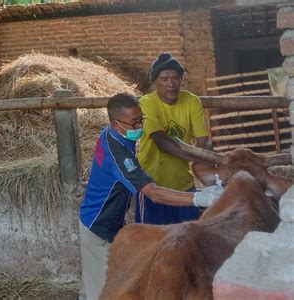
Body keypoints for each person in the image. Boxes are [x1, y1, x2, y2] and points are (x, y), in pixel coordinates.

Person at [78, 92, 223, 300]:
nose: (139, 127)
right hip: (98, 227)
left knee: (99, 279)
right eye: (134, 123)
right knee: (103, 292)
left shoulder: (111, 135)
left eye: (141, 120)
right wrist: (199, 198)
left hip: (110, 222)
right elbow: (153, 193)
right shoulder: (118, 155)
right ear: (115, 123)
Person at [136, 53, 212, 225]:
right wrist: (198, 156)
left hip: (183, 184)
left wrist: (206, 158)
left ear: (181, 80)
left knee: (188, 237)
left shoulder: (192, 101)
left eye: (176, 78)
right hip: (152, 185)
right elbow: (161, 141)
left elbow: (203, 139)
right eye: (164, 79)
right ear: (155, 82)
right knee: (153, 240)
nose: (171, 84)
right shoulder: (147, 103)